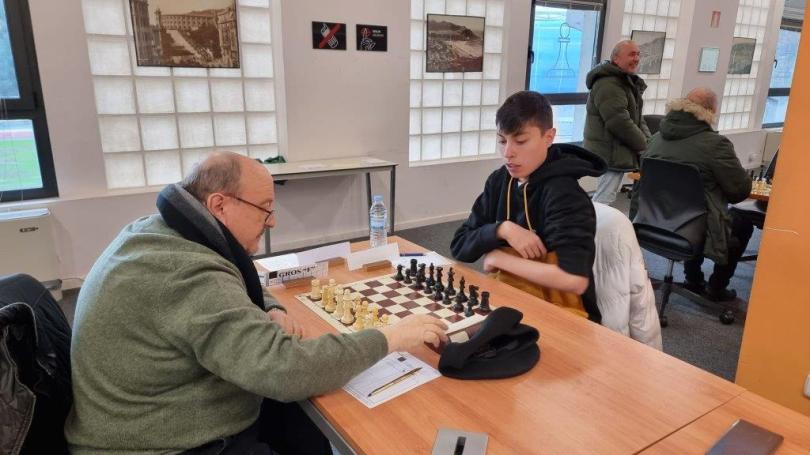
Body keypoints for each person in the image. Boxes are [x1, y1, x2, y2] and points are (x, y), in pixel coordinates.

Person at [64, 152, 448, 455]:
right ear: (219, 205)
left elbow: (232, 272)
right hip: (164, 444)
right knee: (312, 407)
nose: (272, 222)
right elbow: (287, 370)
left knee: (305, 427)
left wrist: (270, 307)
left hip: (154, 415)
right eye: (265, 207)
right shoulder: (183, 273)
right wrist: (390, 336)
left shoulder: (162, 230)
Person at [451, 91, 607, 322]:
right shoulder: (499, 180)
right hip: (510, 295)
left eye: (521, 141)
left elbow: (575, 280)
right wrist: (502, 229)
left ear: (549, 137)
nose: (508, 153)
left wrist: (499, 259)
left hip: (562, 311)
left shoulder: (564, 194)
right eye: (502, 141)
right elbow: (459, 245)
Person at [642, 87, 753, 301]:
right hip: (692, 228)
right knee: (742, 221)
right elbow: (739, 192)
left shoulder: (654, 139)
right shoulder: (716, 145)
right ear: (711, 111)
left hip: (652, 222)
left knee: (694, 208)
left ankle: (693, 279)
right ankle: (716, 287)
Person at [584, 40, 651, 205]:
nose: (636, 59)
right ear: (616, 58)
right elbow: (619, 122)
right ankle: (594, 222)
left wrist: (649, 142)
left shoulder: (623, 82)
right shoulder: (609, 84)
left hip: (615, 151)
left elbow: (636, 117)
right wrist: (644, 145)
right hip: (609, 152)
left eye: (638, 54)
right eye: (631, 54)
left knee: (605, 196)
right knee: (604, 199)